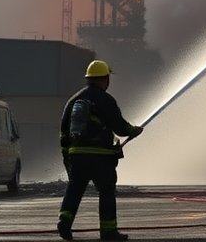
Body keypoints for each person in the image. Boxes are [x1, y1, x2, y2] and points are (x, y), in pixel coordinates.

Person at [57, 59, 144, 241]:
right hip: (101, 158)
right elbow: (119, 125)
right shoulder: (105, 99)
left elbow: (64, 131)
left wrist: (68, 156)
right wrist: (132, 130)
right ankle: (108, 231)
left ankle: (64, 222)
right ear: (104, 78)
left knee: (74, 189)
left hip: (78, 157)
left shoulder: (73, 100)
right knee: (106, 192)